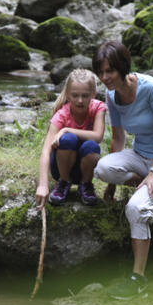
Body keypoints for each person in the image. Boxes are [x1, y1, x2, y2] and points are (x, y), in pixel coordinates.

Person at [92, 40, 153, 300]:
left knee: (135, 208)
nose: (104, 78)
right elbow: (118, 138)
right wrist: (112, 183)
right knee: (101, 168)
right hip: (139, 156)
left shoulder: (151, 88)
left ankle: (138, 279)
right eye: (100, 72)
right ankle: (143, 185)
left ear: (123, 67)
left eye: (109, 71)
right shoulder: (112, 95)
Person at [36, 69, 106, 209]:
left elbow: (98, 136)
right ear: (68, 94)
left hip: (84, 168)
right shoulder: (62, 114)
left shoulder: (98, 108)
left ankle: (86, 185)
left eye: (85, 96)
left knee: (91, 146)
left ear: (93, 94)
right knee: (68, 139)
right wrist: (43, 185)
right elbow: (46, 152)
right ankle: (64, 182)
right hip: (61, 167)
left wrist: (66, 129)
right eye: (75, 95)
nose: (80, 100)